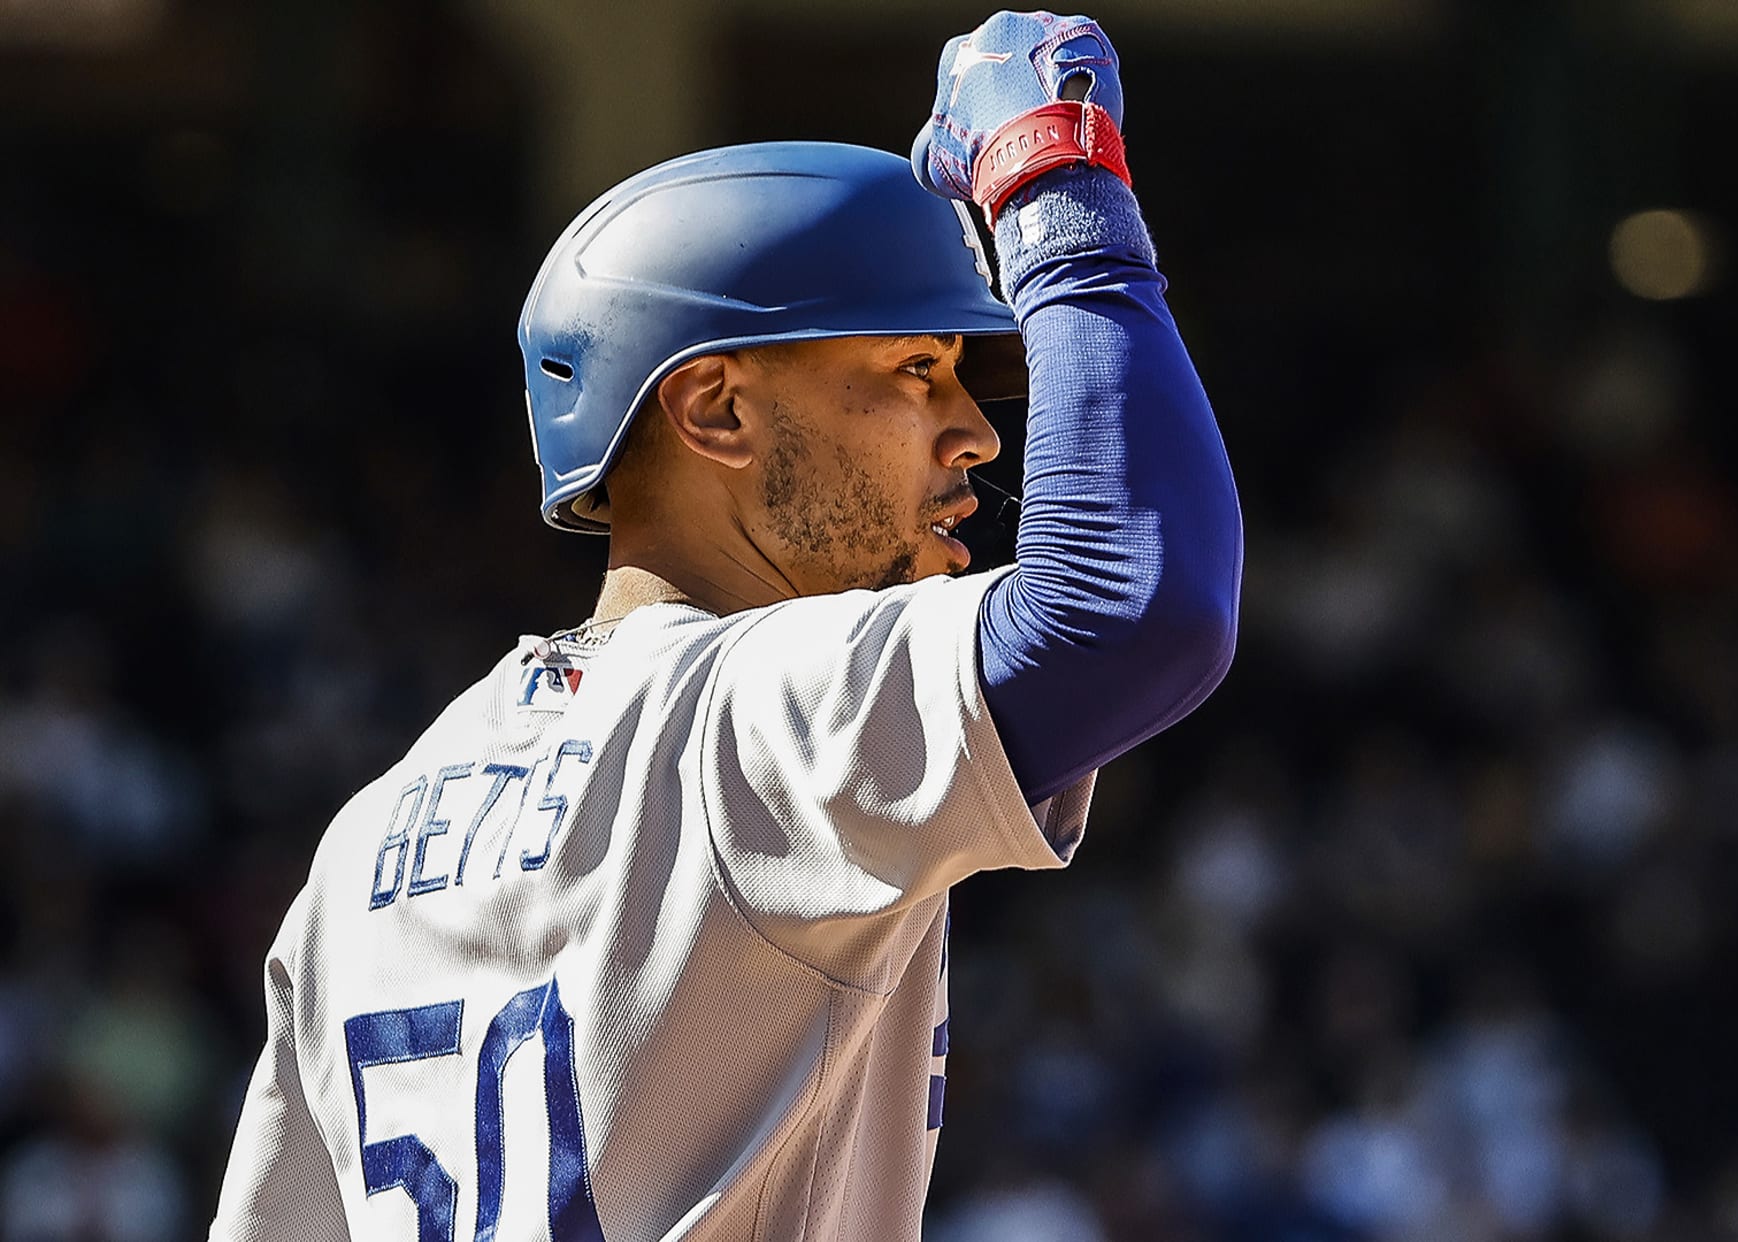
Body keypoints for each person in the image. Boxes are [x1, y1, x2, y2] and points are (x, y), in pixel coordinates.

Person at [207, 11, 1239, 1239]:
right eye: (919, 368)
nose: (975, 432)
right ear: (717, 411)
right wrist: (1060, 193)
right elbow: (1132, 601)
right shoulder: (752, 715)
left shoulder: (362, 847)